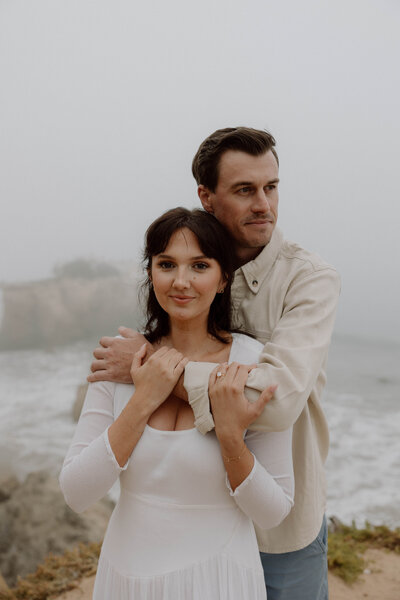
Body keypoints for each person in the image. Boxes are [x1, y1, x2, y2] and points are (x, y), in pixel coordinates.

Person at [88, 127, 341, 600]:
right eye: (245, 190)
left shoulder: (310, 279)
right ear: (206, 197)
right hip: (200, 522)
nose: (263, 204)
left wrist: (153, 369)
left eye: (271, 187)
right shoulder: (190, 268)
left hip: (279, 527)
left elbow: (278, 401)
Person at [60, 207, 294, 600]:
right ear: (151, 273)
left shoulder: (252, 364)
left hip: (219, 581)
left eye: (199, 266)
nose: (181, 281)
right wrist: (144, 399)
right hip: (125, 582)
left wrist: (231, 438)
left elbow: (273, 512)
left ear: (223, 278)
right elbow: (77, 492)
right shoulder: (122, 360)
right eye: (167, 264)